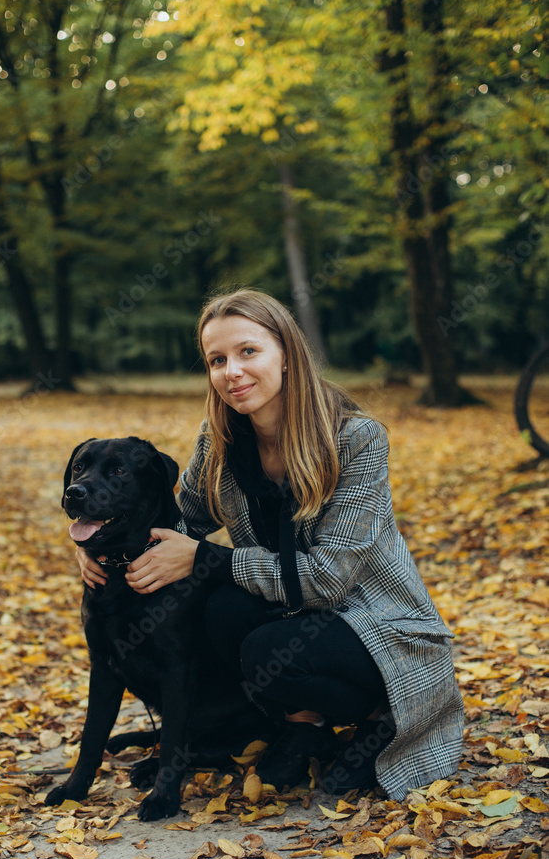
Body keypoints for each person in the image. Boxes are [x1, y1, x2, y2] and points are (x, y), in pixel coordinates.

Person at [76, 289, 464, 799]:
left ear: (286, 353)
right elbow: (180, 520)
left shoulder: (356, 438)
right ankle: (305, 727)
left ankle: (384, 719)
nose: (232, 372)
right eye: (217, 360)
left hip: (380, 626)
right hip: (295, 616)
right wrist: (99, 539)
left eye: (248, 351)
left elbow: (327, 579)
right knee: (222, 607)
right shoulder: (221, 438)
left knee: (264, 646)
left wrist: (206, 557)